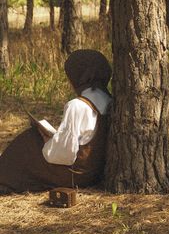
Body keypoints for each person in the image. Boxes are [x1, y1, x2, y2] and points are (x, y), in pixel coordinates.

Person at [0, 49, 112, 194]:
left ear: (77, 76)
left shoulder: (77, 106)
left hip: (76, 175)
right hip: (94, 172)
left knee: (27, 142)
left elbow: (63, 154)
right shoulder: (110, 100)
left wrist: (48, 140)